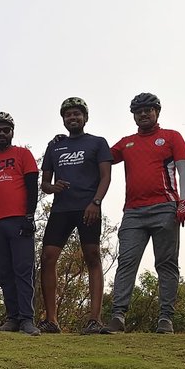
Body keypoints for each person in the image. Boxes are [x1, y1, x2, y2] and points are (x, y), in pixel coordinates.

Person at [108, 93, 185, 333]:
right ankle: (118, 316)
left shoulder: (171, 137)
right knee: (126, 261)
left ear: (157, 112)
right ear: (133, 115)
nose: (143, 114)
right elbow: (101, 157)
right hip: (133, 211)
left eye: (148, 110)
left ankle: (166, 318)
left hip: (165, 206)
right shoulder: (126, 142)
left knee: (166, 263)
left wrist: (183, 203)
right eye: (138, 111)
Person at [40, 97, 113, 335]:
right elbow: (44, 184)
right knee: (48, 257)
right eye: (68, 115)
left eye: (76, 114)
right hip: (61, 209)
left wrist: (96, 202)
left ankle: (95, 319)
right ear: (63, 119)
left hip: (88, 207)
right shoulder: (54, 146)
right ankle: (51, 320)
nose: (72, 118)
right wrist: (53, 188)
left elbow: (106, 177)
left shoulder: (97, 142)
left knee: (92, 256)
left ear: (85, 117)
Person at [0, 111, 40, 335]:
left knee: (24, 271)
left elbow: (32, 187)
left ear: (12, 132)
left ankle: (27, 319)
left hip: (19, 220)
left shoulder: (23, 154)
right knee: (4, 274)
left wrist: (29, 216)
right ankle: (12, 318)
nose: (2, 134)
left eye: (6, 130)